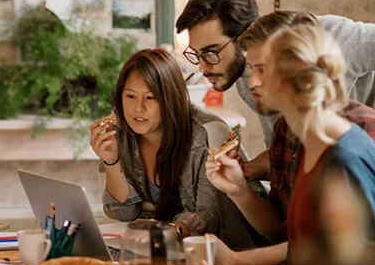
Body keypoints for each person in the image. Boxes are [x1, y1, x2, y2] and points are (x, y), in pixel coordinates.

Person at [205, 24, 375, 265]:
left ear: (299, 73)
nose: (251, 81)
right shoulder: (305, 144)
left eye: (262, 69)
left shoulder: (345, 159)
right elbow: (306, 257)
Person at [89, 48, 263, 249]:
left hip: (221, 251)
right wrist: (112, 161)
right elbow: (123, 213)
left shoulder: (205, 133)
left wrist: (173, 230)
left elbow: (209, 216)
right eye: (130, 96)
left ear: (170, 98)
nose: (138, 108)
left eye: (151, 97)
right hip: (157, 247)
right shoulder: (119, 131)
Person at [176, 0, 375, 147]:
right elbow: (282, 150)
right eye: (197, 54)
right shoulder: (247, 82)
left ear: (243, 35)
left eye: (211, 52)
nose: (202, 68)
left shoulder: (333, 38)